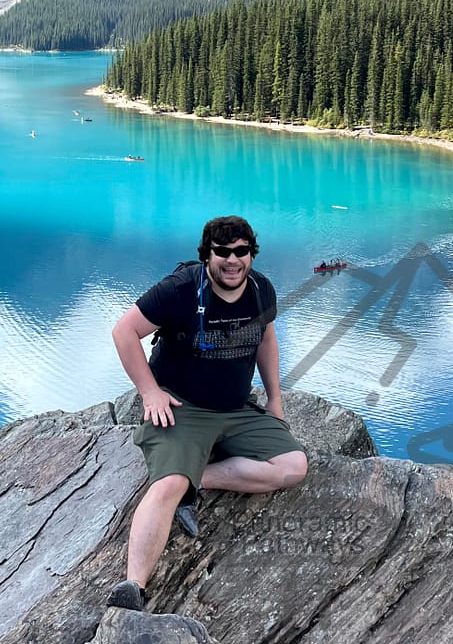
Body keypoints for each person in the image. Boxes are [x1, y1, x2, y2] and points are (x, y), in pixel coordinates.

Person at [107, 215, 308, 611]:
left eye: (241, 252)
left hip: (235, 408)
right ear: (207, 255)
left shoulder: (261, 289)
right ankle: (133, 588)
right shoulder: (181, 289)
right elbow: (123, 332)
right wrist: (150, 393)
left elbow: (266, 337)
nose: (232, 260)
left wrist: (275, 399)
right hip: (181, 407)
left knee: (294, 466)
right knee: (166, 485)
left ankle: (196, 482)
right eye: (222, 252)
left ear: (251, 254)